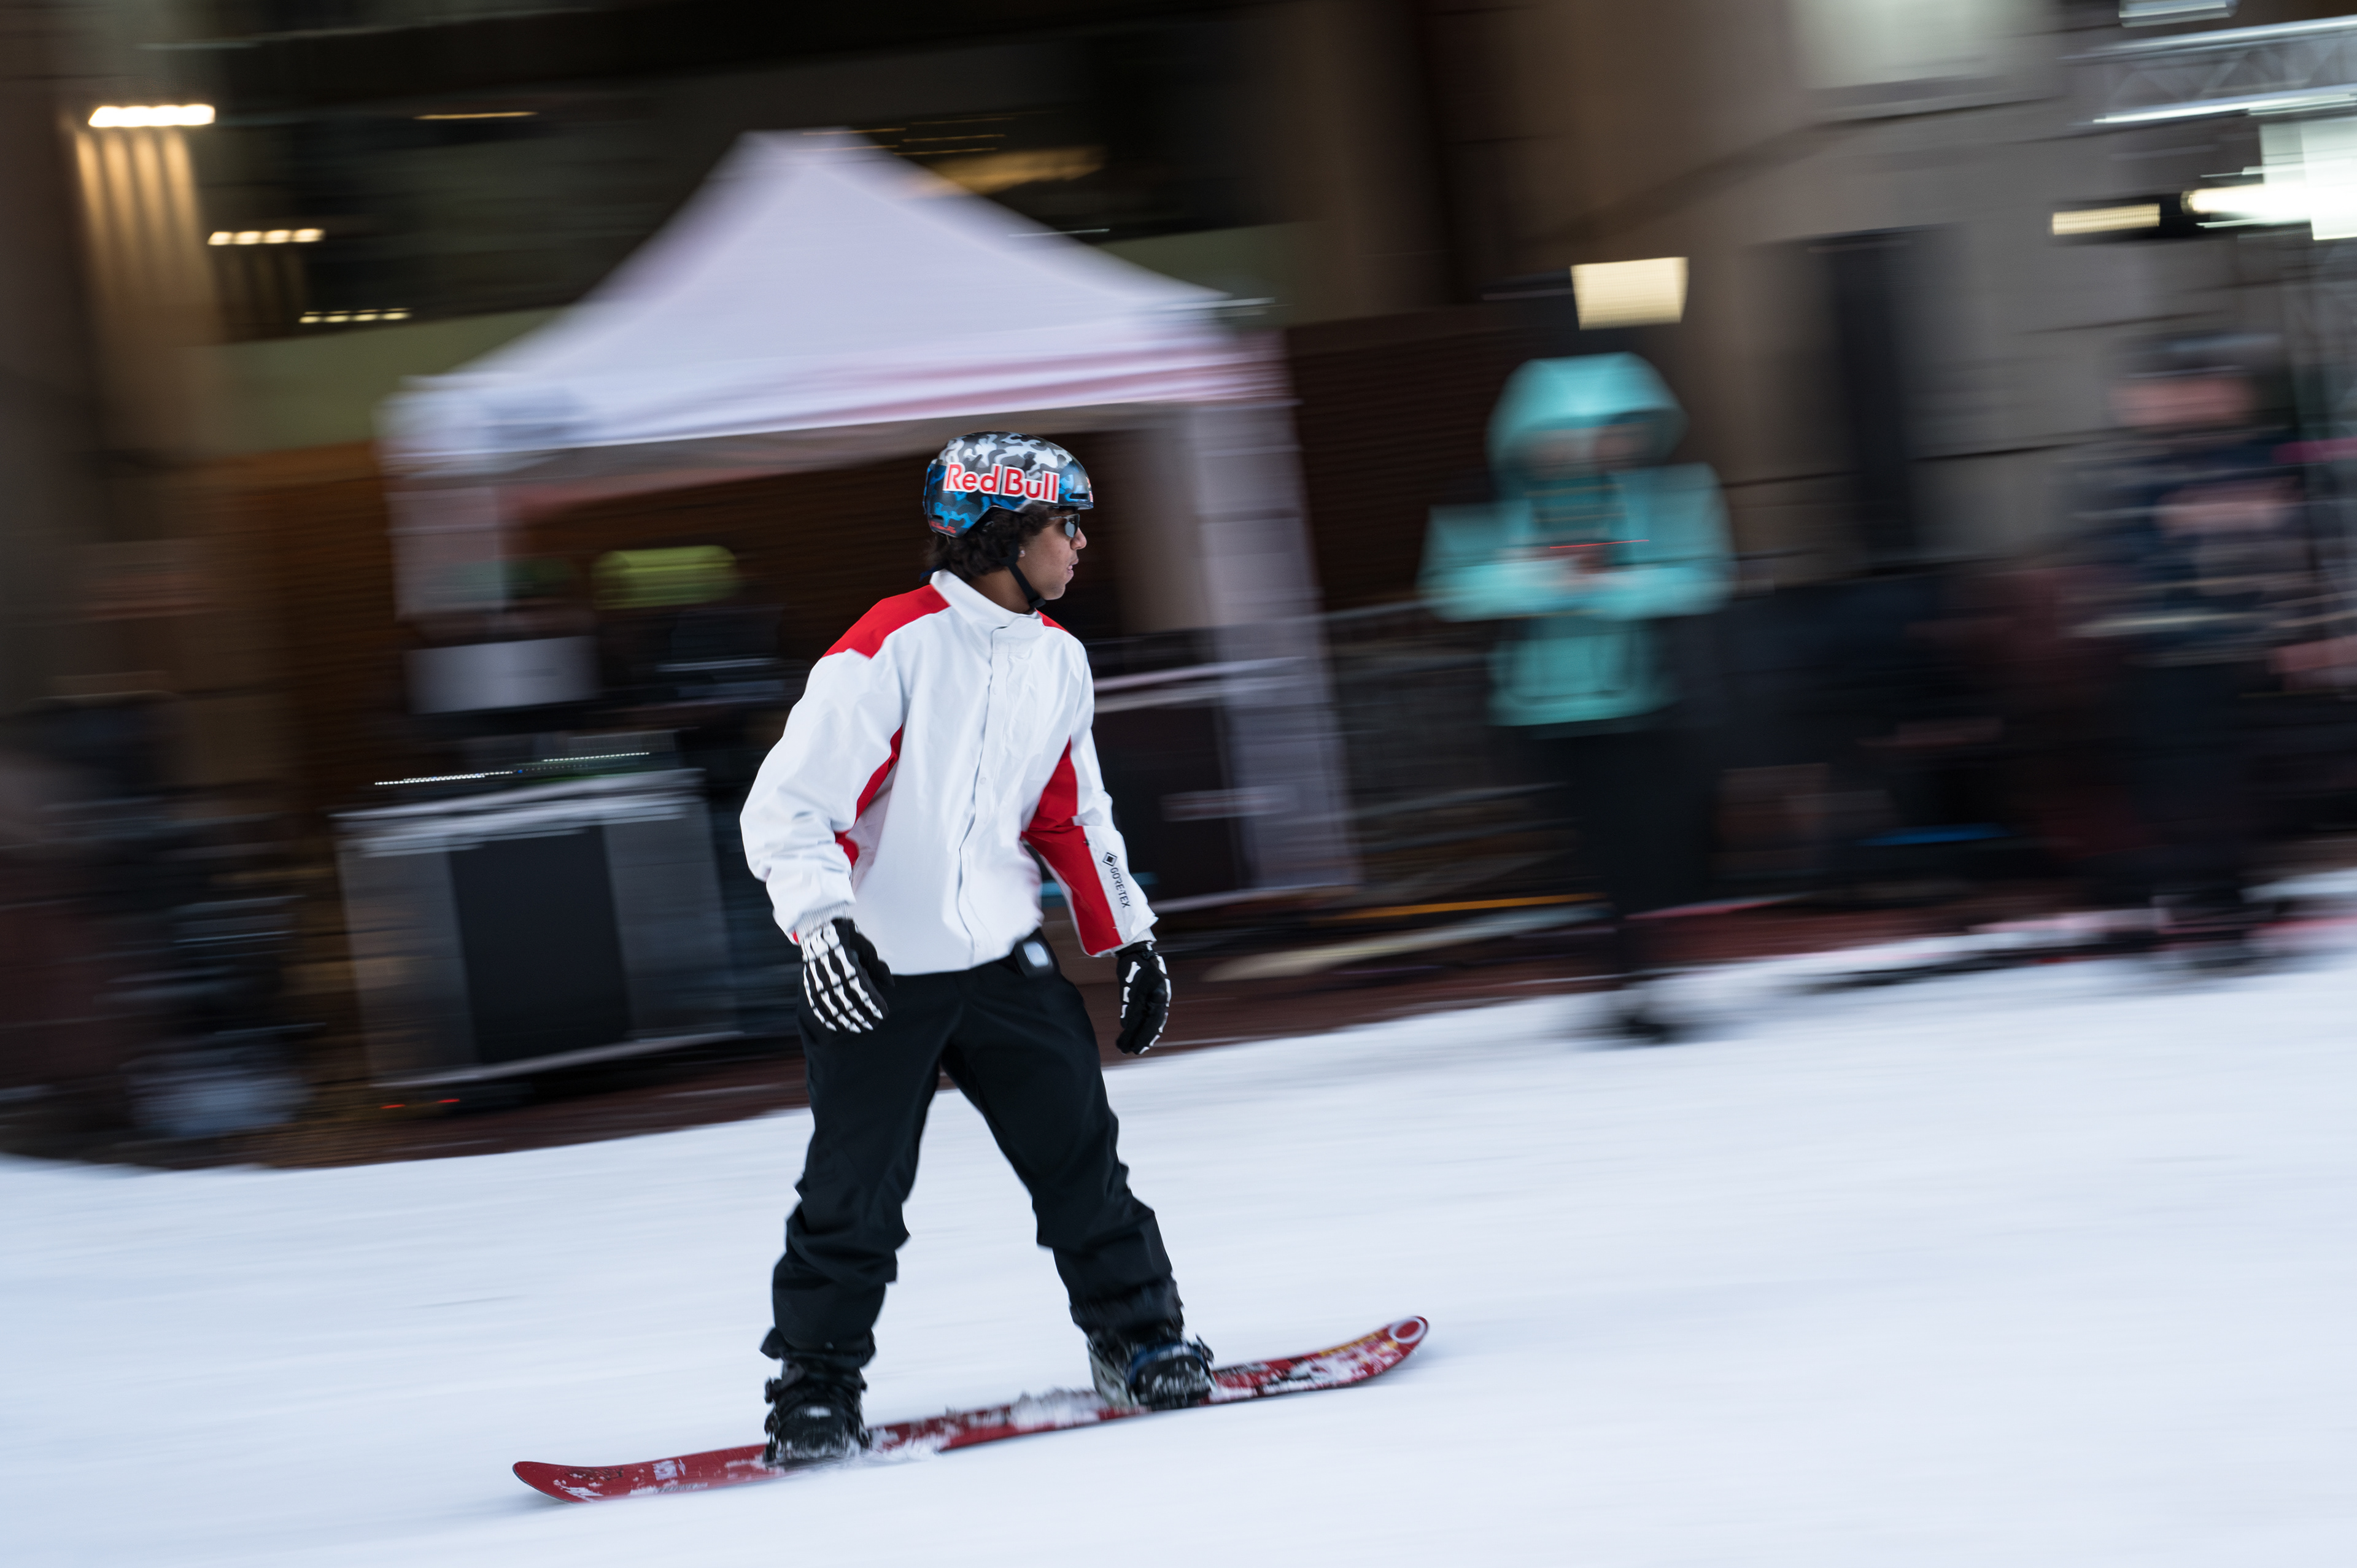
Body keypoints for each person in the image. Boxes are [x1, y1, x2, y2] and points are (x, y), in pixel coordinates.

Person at [739, 431, 1201, 1464]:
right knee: (853, 1196)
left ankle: (1140, 1340)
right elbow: (789, 809)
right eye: (1064, 525)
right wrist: (824, 929)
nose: (1081, 544)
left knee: (1083, 1166)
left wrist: (1130, 941)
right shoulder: (888, 647)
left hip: (1002, 965)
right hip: (875, 972)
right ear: (1003, 534)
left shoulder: (1058, 660)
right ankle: (814, 1392)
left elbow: (1073, 816)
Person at [1419, 353, 1732, 1040]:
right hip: (1543, 712)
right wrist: (1550, 580)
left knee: (1644, 846)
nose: (1595, 448)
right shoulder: (1491, 499)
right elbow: (1453, 587)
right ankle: (1634, 980)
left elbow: (1702, 575)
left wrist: (1606, 586)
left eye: (1617, 431)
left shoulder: (1664, 494)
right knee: (1606, 850)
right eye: (1571, 434)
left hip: (1643, 705)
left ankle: (1637, 977)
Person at [2069, 334, 2312, 956]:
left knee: (2236, 776)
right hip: (2162, 655)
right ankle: (2198, 894)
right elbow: (2120, 559)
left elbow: (2280, 544)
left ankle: (2220, 894)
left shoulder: (2251, 459)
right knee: (2181, 780)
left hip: (2230, 651)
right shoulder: (2130, 472)